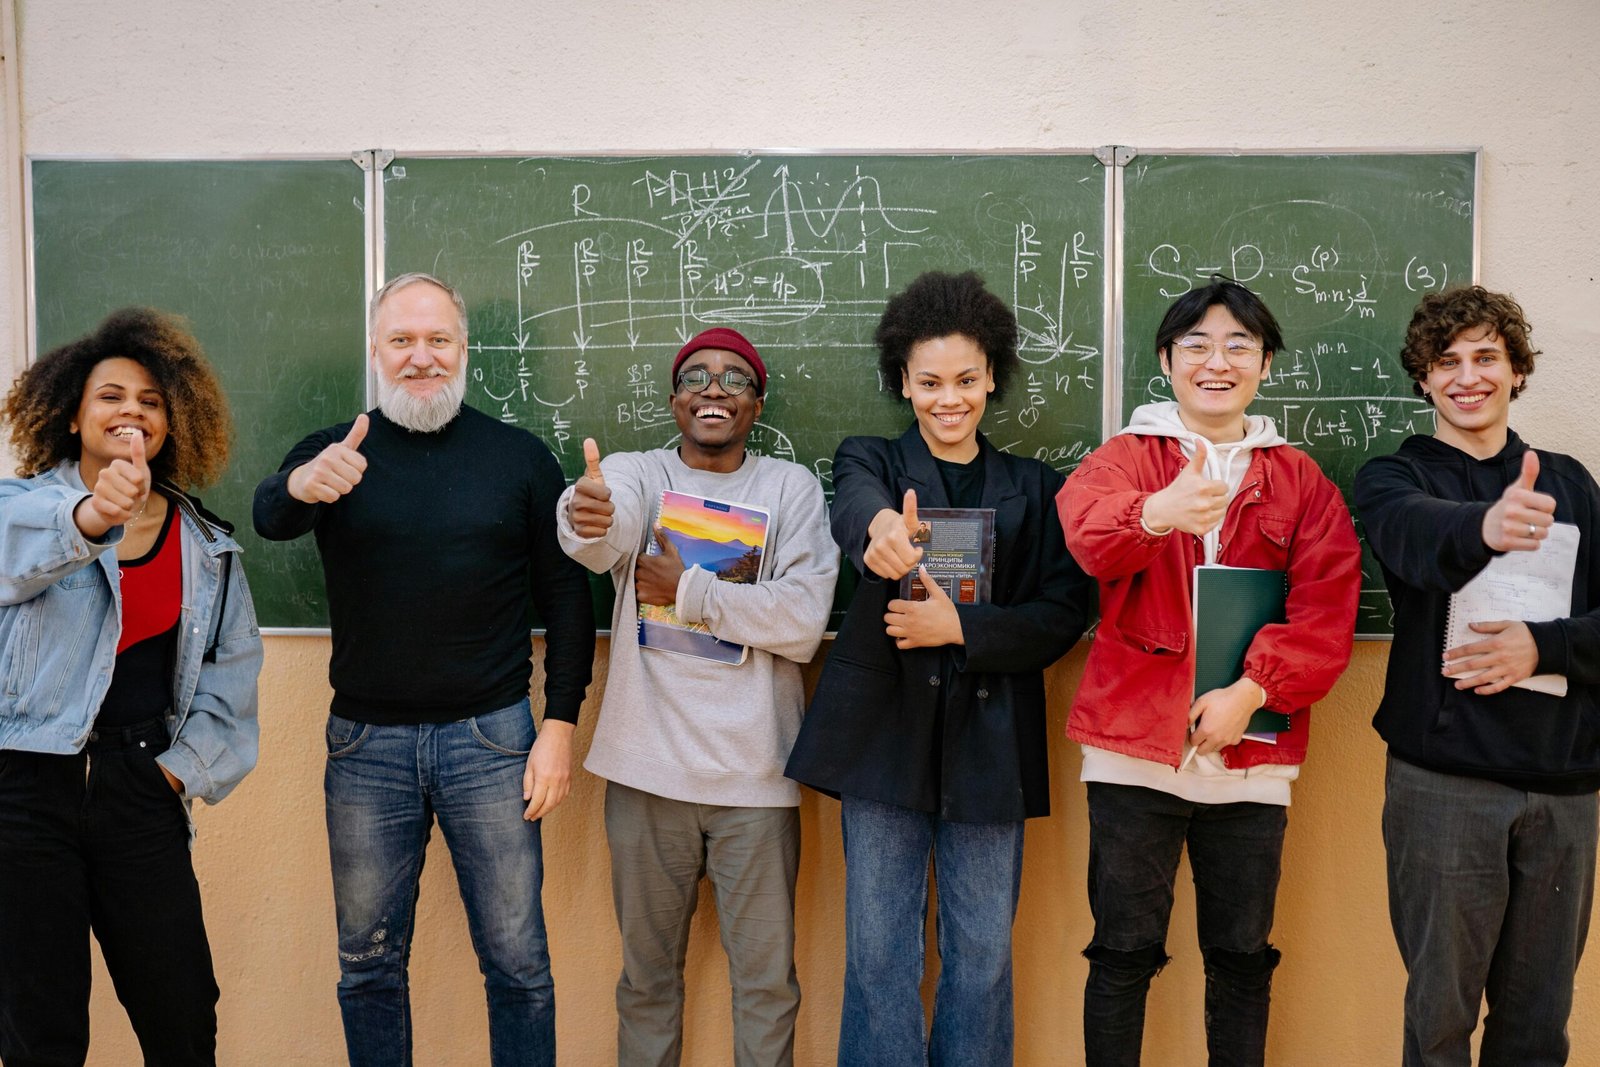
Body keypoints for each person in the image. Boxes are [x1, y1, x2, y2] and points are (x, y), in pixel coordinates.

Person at [252, 272, 595, 1067]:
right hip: (366, 749)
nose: (421, 357)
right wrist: (302, 483)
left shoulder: (518, 457)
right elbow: (272, 514)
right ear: (376, 352)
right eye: (402, 341)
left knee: (518, 966)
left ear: (464, 350)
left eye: (438, 339)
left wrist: (559, 726)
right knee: (368, 967)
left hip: (495, 742)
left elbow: (568, 600)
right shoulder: (338, 451)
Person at [785, 271, 1094, 1066]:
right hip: (883, 740)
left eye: (965, 379)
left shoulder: (1036, 486)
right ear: (903, 382)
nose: (948, 398)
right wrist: (884, 528)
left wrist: (962, 626)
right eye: (929, 382)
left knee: (983, 957)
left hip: (990, 749)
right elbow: (856, 506)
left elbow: (1064, 612)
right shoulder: (870, 462)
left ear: (992, 375)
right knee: (880, 957)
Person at [1058, 276, 1361, 1066]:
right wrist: (1156, 511)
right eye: (1195, 344)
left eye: (1238, 345)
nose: (1216, 361)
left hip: (1251, 761)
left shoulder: (1301, 481)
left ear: (1264, 364)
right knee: (1122, 953)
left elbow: (1327, 611)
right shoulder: (1126, 458)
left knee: (1240, 957)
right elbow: (1089, 538)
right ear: (1166, 359)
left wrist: (1253, 690)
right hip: (1132, 754)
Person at [556, 326, 836, 1067]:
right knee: (647, 982)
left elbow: (804, 622)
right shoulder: (640, 473)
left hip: (757, 783)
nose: (715, 388)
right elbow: (600, 523)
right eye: (697, 376)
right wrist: (585, 514)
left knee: (767, 986)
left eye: (735, 378)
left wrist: (688, 589)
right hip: (648, 776)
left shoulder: (790, 489)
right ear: (675, 398)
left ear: (758, 401)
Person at [0, 308, 263, 1067]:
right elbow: (23, 552)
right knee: (39, 1028)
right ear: (72, 414)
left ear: (173, 419)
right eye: (111, 395)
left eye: (150, 400)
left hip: (140, 790)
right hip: (25, 790)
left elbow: (232, 675)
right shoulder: (23, 508)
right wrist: (93, 516)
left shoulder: (207, 546)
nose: (131, 411)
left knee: (182, 1015)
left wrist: (175, 774)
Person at [1354, 286, 1600, 1067]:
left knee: (1536, 1028)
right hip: (1446, 787)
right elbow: (1412, 536)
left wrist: (1545, 647)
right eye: (1446, 361)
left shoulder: (1573, 483)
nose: (1468, 376)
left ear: (1517, 370)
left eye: (1486, 357)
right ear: (1422, 378)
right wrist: (1484, 526)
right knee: (1439, 1022)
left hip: (1564, 790)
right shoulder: (1394, 478)